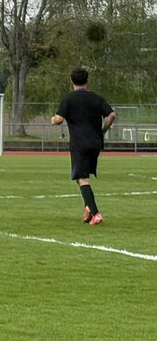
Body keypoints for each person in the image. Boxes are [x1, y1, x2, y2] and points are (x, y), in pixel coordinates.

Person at [51, 66, 116, 225]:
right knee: (82, 176)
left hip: (79, 143)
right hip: (95, 143)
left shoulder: (69, 98)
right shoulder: (97, 98)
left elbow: (59, 119)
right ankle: (87, 208)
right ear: (87, 80)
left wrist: (53, 119)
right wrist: (103, 130)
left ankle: (96, 214)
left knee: (82, 178)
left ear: (71, 80)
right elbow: (112, 114)